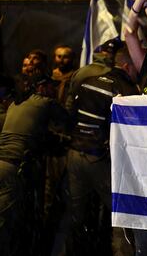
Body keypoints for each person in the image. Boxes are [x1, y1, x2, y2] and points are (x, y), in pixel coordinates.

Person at [55, 47, 138, 255]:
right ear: (127, 66)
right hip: (99, 160)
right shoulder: (124, 88)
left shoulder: (86, 81)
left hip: (74, 156)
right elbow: (130, 130)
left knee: (76, 216)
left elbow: (70, 116)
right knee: (122, 214)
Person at [0, 51, 70, 256]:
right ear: (41, 87)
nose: (53, 90)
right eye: (50, 86)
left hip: (4, 163)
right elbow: (67, 121)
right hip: (13, 169)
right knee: (4, 223)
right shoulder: (44, 102)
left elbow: (34, 132)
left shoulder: (15, 104)